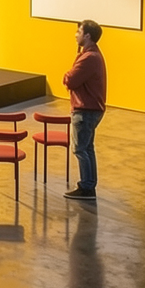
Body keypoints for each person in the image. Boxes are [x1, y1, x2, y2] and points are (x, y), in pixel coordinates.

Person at [61, 19, 107, 200]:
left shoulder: (89, 58)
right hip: (91, 109)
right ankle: (89, 185)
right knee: (87, 148)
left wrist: (66, 76)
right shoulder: (91, 55)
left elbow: (71, 79)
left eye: (78, 32)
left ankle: (87, 187)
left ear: (87, 35)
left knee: (80, 149)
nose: (75, 35)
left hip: (85, 109)